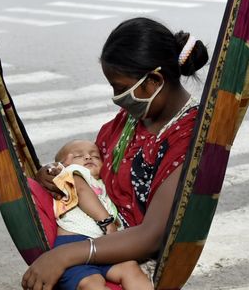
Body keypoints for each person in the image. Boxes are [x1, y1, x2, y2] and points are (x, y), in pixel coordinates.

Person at [22, 18, 210, 290]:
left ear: (155, 80)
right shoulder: (134, 117)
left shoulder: (187, 138)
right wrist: (55, 175)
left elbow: (151, 236)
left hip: (130, 257)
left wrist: (65, 255)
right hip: (91, 232)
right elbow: (91, 169)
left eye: (122, 89)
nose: (117, 97)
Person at [48, 140, 151, 290]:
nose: (88, 157)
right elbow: (81, 191)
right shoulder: (71, 174)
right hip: (73, 243)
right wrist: (107, 222)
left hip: (104, 246)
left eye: (95, 156)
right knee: (91, 283)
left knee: (130, 268)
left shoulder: (104, 183)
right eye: (79, 155)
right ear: (65, 163)